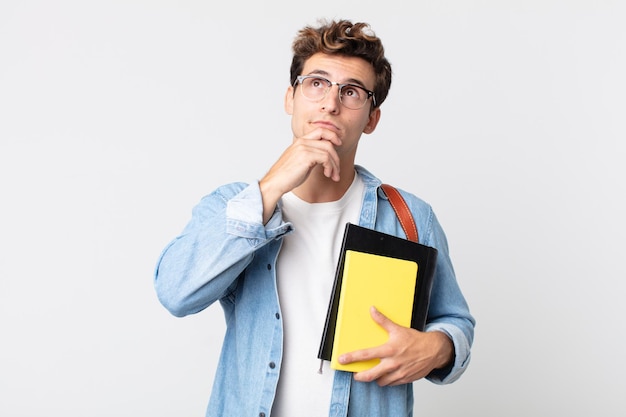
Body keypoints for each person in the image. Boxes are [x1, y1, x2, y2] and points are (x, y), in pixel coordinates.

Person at [154, 18, 475, 417]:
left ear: (371, 119)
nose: (330, 103)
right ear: (291, 98)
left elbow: (455, 321)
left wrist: (439, 346)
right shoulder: (236, 208)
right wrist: (269, 189)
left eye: (352, 91)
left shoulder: (410, 217)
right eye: (317, 83)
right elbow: (176, 292)